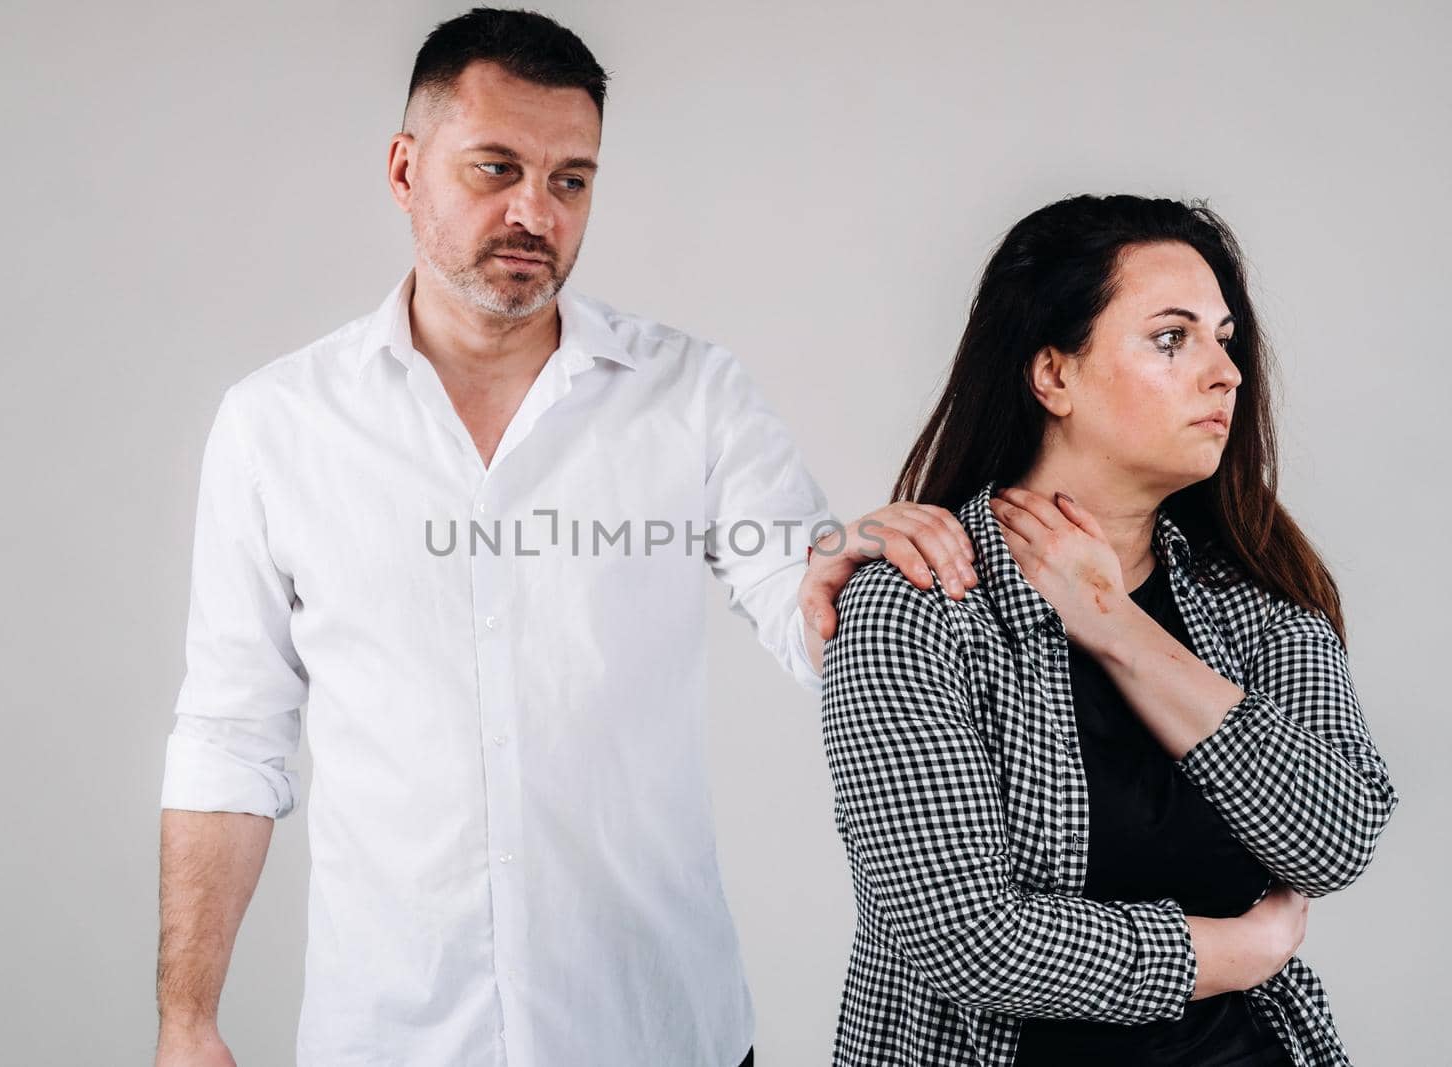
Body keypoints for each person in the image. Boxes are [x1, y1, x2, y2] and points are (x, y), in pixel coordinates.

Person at [153, 9, 976, 1067]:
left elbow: (799, 594)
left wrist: (853, 572)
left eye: (571, 179)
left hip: (655, 1029)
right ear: (405, 169)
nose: (533, 211)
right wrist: (187, 1014)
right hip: (392, 1037)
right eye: (495, 168)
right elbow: (231, 731)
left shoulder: (693, 394)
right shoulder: (277, 424)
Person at [821, 194, 1400, 1066]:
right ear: (1053, 374)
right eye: (1174, 338)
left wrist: (1117, 629)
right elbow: (966, 935)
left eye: (1224, 337)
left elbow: (1335, 835)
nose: (1226, 373)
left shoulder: (1257, 598)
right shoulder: (915, 600)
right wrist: (1240, 952)